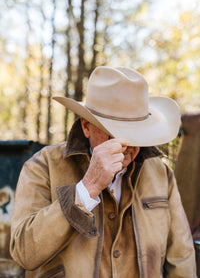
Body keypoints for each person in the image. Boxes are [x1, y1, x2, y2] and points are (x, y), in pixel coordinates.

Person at [10, 66, 196, 277]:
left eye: (137, 134)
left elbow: (182, 259)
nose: (127, 145)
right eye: (115, 133)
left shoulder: (161, 174)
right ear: (86, 126)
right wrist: (86, 188)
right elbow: (24, 252)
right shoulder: (43, 166)